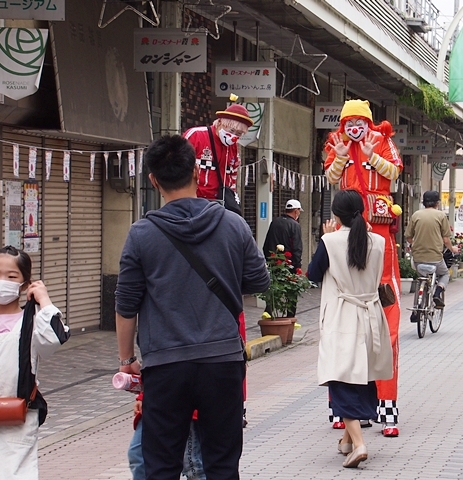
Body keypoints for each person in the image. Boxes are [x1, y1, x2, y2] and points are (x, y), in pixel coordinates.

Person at [115, 135, 270, 479]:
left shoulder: (141, 234)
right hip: (223, 362)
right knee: (222, 465)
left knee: (161, 466)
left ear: (153, 180)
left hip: (165, 364)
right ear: (197, 173)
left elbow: (126, 304)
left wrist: (127, 360)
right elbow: (260, 280)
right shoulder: (233, 224)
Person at [324, 99, 403, 436]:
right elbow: (331, 176)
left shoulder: (383, 141)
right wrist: (342, 155)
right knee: (343, 330)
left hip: (380, 231)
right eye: (349, 123)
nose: (355, 128)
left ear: (369, 123)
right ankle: (342, 410)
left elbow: (394, 173)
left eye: (360, 122)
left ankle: (385, 408)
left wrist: (372, 155)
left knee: (387, 328)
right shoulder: (335, 142)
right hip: (348, 231)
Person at [307, 190, 394, 469]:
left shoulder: (330, 241)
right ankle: (346, 441)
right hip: (371, 317)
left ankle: (359, 444)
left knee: (340, 379)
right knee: (363, 376)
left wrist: (327, 237)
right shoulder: (378, 241)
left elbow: (312, 274)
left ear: (335, 215)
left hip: (343, 317)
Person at [0, 246, 69, 479]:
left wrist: (44, 299)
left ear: (25, 284)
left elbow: (54, 338)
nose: (1, 282)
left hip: (15, 417)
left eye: (11, 276)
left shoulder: (32, 320)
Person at [184, 94, 253, 207]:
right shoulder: (196, 136)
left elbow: (232, 176)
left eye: (239, 134)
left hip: (219, 204)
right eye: (231, 130)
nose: (233, 136)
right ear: (220, 122)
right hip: (193, 201)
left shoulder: (233, 148)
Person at [405, 190, 458, 309]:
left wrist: (416, 244)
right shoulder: (441, 216)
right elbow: (446, 240)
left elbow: (409, 237)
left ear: (423, 202)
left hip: (418, 258)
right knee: (444, 274)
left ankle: (417, 308)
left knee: (421, 279)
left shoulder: (416, 215)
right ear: (437, 203)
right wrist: (452, 249)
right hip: (435, 258)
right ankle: (437, 293)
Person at [262, 199, 304, 318]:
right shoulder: (295, 225)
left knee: (274, 287)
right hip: (289, 264)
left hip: (274, 261)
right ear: (296, 211)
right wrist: (297, 266)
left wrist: (269, 259)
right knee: (291, 290)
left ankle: (268, 311)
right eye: (299, 211)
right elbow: (297, 248)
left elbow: (266, 243)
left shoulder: (274, 222)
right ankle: (290, 317)